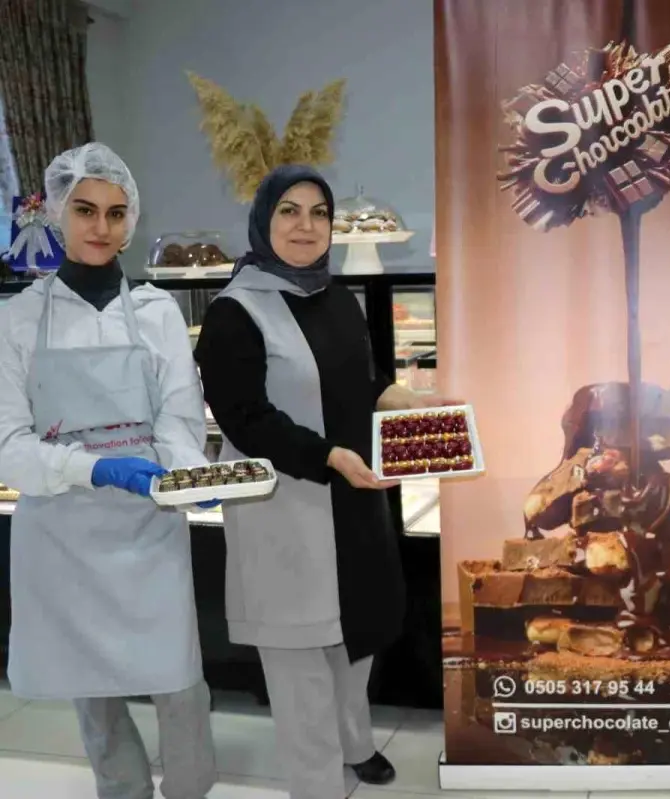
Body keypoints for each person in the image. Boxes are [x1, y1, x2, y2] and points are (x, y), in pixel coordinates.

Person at [193, 165, 455, 799]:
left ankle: (354, 742)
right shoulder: (234, 313)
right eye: (289, 210)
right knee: (300, 660)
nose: (305, 226)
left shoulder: (335, 298)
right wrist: (329, 456)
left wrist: (411, 402)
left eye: (319, 213)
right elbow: (247, 418)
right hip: (284, 503)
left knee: (353, 635)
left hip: (351, 498)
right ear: (264, 220)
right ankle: (315, 783)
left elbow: (359, 382)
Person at [0, 143, 217, 798]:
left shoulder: (156, 312)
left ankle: (190, 789)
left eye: (116, 213)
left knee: (180, 681)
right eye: (85, 210)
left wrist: (188, 477)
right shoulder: (16, 319)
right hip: (60, 534)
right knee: (91, 689)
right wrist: (96, 470)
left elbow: (179, 418)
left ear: (131, 220)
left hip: (149, 525)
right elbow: (8, 445)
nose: (101, 226)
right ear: (57, 213)